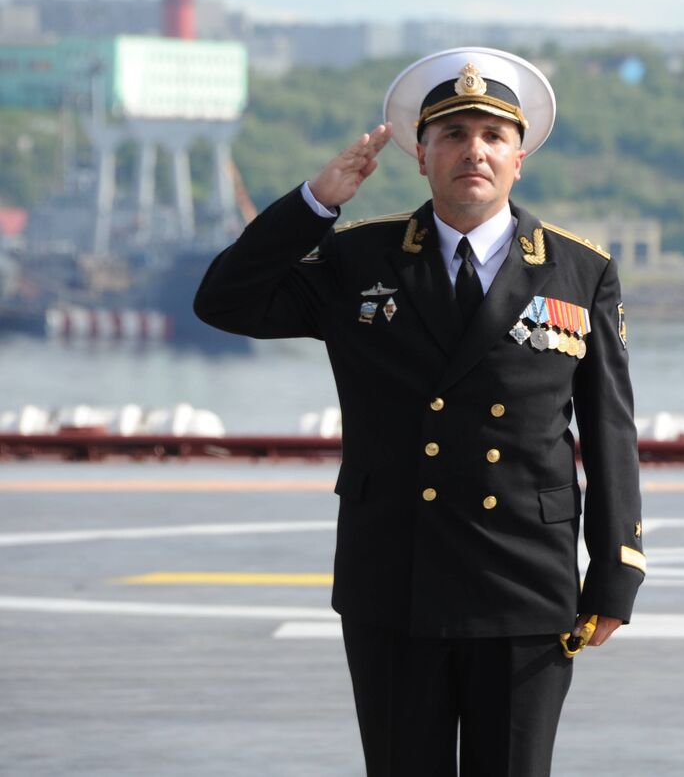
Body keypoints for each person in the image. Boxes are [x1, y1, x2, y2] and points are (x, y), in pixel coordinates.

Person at [194, 47, 646, 777]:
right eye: (454, 135)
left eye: (494, 136)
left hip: (524, 580)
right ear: (420, 154)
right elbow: (224, 301)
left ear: (519, 158)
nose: (475, 151)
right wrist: (314, 204)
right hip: (395, 574)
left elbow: (610, 429)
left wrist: (617, 570)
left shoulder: (578, 270)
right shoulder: (358, 260)